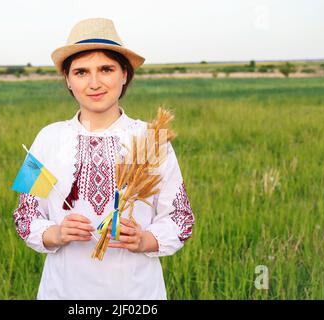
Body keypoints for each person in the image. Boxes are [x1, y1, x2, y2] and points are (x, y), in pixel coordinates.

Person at [12, 17, 195, 300]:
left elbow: (180, 218)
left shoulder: (151, 138)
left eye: (106, 69)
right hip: (63, 291)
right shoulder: (47, 138)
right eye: (81, 72)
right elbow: (25, 217)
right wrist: (57, 233)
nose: (94, 83)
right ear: (68, 80)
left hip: (136, 294)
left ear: (124, 74)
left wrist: (144, 239)